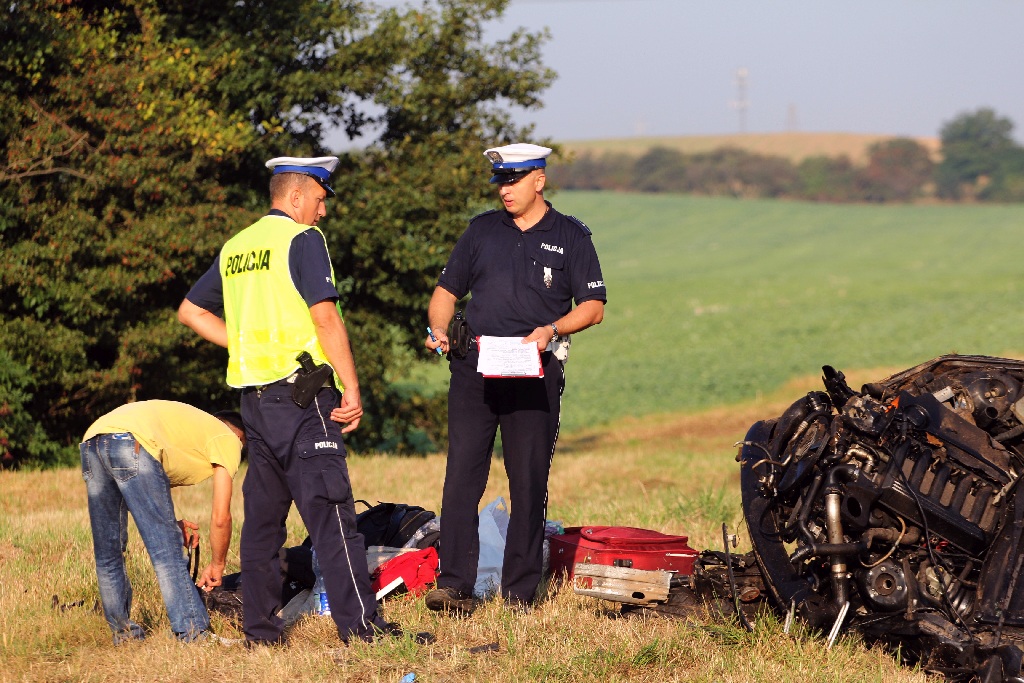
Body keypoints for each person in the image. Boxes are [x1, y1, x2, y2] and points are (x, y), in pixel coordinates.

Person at [177, 156, 424, 646]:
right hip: (304, 399)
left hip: (254, 404)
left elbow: (190, 311)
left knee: (263, 526)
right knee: (333, 515)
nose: (322, 212)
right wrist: (351, 387)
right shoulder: (302, 239)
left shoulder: (236, 247)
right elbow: (325, 319)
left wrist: (244, 345)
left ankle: (261, 634)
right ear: (296, 196)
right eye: (319, 199)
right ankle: (363, 630)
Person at [423, 143, 607, 613]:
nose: (505, 189)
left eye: (514, 180)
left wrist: (552, 330)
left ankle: (519, 593)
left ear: (539, 180)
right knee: (462, 476)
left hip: (534, 370)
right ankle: (454, 585)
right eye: (501, 181)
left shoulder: (571, 236)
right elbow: (446, 291)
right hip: (474, 367)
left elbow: (593, 307)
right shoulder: (482, 230)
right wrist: (439, 328)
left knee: (528, 480)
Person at [79, 400, 245, 643]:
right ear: (241, 438)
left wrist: (171, 524)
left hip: (93, 440)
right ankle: (193, 633)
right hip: (131, 441)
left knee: (108, 551)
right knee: (167, 551)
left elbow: (147, 492)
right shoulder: (229, 439)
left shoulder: (192, 428)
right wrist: (217, 565)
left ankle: (124, 635)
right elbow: (221, 517)